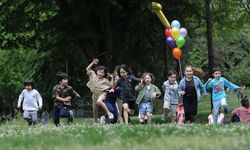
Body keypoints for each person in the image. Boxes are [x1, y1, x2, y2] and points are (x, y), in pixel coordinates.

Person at [86, 58, 114, 123]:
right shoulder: (93, 75)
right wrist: (92, 63)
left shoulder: (105, 80)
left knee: (99, 101)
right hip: (94, 95)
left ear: (104, 74)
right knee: (95, 110)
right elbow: (87, 69)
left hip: (102, 93)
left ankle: (109, 113)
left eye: (102, 73)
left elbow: (111, 85)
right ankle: (95, 121)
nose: (100, 73)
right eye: (99, 71)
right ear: (96, 71)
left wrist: (112, 78)